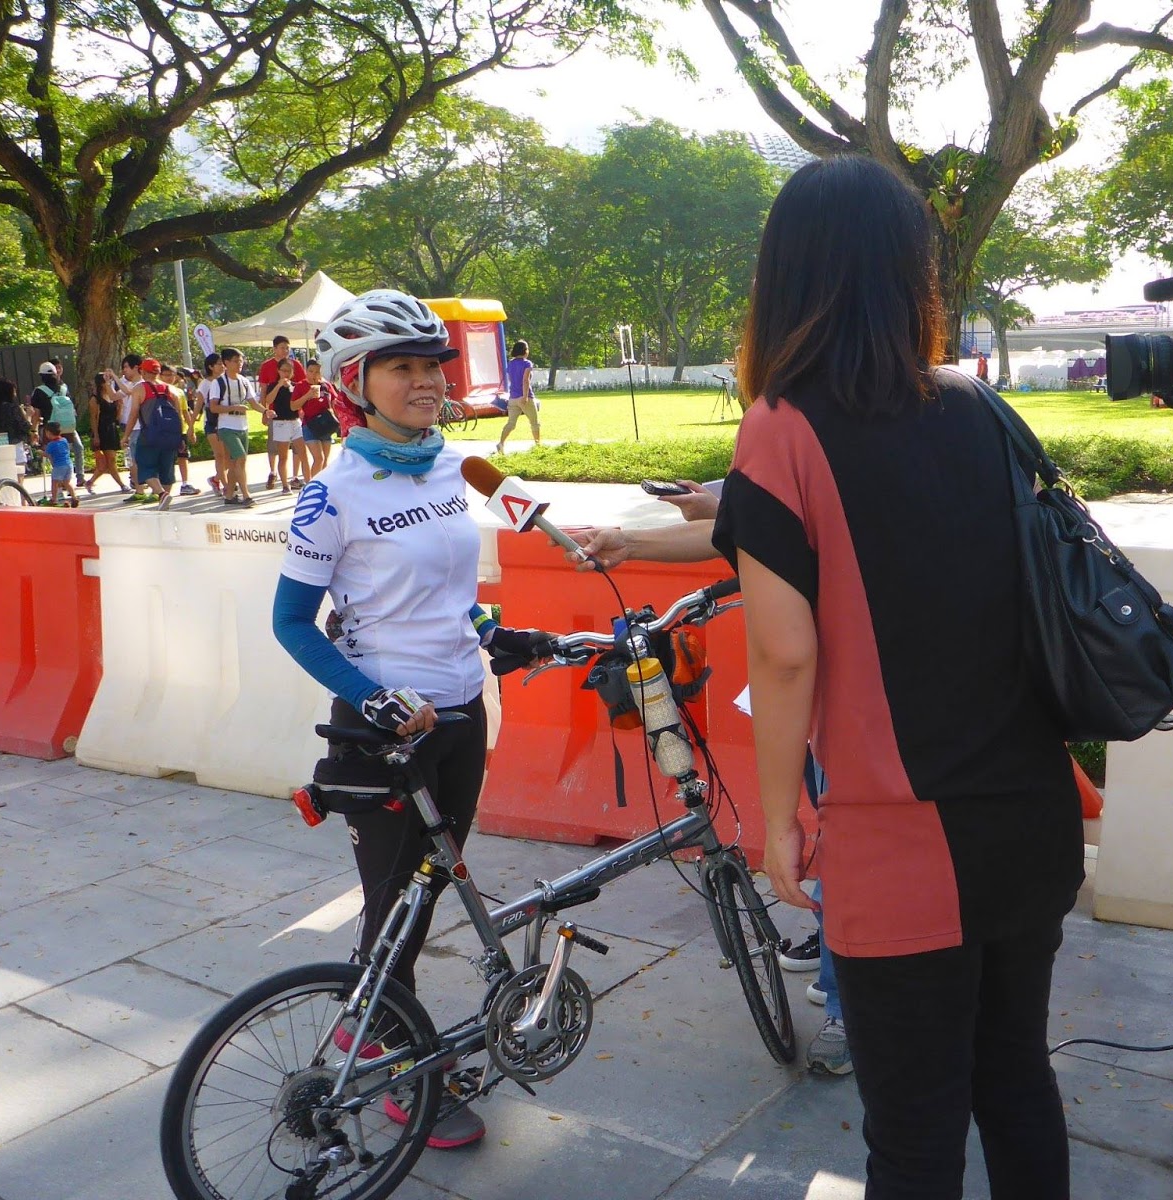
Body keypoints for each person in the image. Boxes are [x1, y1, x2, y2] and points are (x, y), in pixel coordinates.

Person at [710, 155, 1082, 1199]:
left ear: (784, 275)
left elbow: (785, 652)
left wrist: (777, 820)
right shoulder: (978, 408)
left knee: (912, 1139)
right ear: (910, 273)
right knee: (1015, 1083)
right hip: (1029, 811)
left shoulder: (780, 427)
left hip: (901, 836)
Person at [272, 288, 542, 1151]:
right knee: (395, 912)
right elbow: (289, 624)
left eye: (433, 365)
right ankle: (393, 1070)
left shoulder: (449, 464)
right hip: (386, 729)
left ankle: (372, 1029)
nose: (427, 381)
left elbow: (442, 596)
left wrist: (492, 633)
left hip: (462, 709)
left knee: (430, 893)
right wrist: (376, 698)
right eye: (403, 367)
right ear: (356, 380)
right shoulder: (331, 495)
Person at [570, 483, 853, 1076]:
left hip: (860, 688)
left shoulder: (851, 432)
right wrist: (634, 539)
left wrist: (778, 826)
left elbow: (785, 649)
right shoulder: (790, 429)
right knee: (830, 832)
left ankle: (849, 1003)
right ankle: (837, 959)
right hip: (815, 686)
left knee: (847, 844)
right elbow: (750, 523)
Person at [121, 357, 186, 509]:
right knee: (167, 469)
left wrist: (126, 435)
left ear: (142, 371)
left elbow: (134, 414)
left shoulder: (140, 388)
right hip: (170, 436)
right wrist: (180, 437)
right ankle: (165, 502)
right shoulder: (170, 389)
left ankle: (161, 494)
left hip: (150, 435)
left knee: (144, 466)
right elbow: (178, 415)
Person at [211, 348, 256, 506]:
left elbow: (253, 402)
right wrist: (234, 408)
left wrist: (266, 411)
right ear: (227, 362)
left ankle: (229, 495)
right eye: (236, 361)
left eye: (241, 361)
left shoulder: (244, 381)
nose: (240, 364)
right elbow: (213, 407)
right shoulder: (219, 382)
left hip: (243, 425)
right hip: (226, 426)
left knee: (236, 463)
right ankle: (246, 495)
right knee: (240, 458)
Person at [262, 356, 306, 493]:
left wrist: (291, 387)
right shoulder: (273, 385)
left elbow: (299, 401)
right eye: (283, 370)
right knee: (283, 456)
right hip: (280, 422)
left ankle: (302, 480)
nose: (286, 373)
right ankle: (285, 485)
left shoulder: (295, 386)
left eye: (289, 371)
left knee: (301, 453)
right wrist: (279, 385)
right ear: (278, 371)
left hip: (295, 421)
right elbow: (268, 400)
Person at [258, 335, 296, 488]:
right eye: (282, 347)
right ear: (274, 349)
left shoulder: (296, 365)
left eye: (287, 347)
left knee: (296, 447)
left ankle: (294, 476)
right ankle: (273, 472)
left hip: (293, 413)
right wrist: (264, 411)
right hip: (274, 413)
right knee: (274, 445)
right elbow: (263, 390)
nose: (285, 350)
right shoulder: (267, 366)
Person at [158, 362, 199, 495]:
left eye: (172, 375)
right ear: (160, 375)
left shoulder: (179, 392)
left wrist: (191, 428)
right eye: (167, 375)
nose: (170, 378)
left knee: (183, 456)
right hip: (164, 431)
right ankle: (162, 485)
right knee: (165, 459)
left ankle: (185, 483)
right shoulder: (157, 390)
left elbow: (185, 411)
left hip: (179, 430)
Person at [296, 358, 339, 481]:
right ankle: (312, 485)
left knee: (325, 459)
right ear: (306, 371)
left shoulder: (326, 385)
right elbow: (293, 405)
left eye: (317, 371)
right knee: (318, 458)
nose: (314, 374)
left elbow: (335, 401)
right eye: (311, 371)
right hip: (310, 424)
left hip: (326, 423)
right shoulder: (301, 386)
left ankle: (322, 483)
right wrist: (308, 395)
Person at [494, 339, 541, 450]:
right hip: (525, 396)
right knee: (534, 422)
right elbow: (525, 380)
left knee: (511, 423)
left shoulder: (511, 363)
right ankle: (538, 445)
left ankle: (501, 443)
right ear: (525, 351)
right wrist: (525, 396)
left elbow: (511, 379)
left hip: (513, 397)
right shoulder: (527, 363)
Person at [84, 372, 127, 493]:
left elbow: (117, 418)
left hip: (111, 429)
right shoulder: (95, 399)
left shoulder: (113, 397)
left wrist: (120, 407)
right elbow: (94, 418)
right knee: (110, 460)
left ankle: (90, 482)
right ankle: (122, 485)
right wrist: (96, 435)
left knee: (108, 462)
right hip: (101, 430)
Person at [194, 353, 226, 491]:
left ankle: (216, 479)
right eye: (219, 364)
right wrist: (191, 426)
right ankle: (226, 486)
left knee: (228, 457)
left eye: (222, 363)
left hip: (227, 421)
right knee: (219, 455)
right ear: (211, 366)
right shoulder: (205, 384)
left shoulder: (226, 380)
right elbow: (198, 405)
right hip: (212, 422)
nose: (222, 366)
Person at [41, 422, 78, 508]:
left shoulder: (51, 444)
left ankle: (54, 499)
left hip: (59, 466)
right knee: (67, 482)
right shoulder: (64, 440)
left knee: (55, 483)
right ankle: (74, 497)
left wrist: (40, 452)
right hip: (68, 464)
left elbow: (46, 454)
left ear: (49, 433)